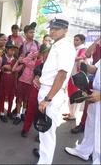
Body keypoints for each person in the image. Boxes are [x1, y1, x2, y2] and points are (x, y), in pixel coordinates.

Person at [32, 18, 76, 164]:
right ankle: (44, 154)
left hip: (52, 94)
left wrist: (47, 98)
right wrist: (41, 79)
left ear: (66, 30)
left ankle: (45, 162)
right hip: (48, 90)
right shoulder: (57, 45)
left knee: (47, 131)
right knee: (44, 130)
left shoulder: (65, 47)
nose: (52, 31)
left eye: (57, 28)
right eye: (51, 28)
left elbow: (62, 74)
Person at [65, 60, 100, 164]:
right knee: (91, 126)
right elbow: (96, 69)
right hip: (95, 95)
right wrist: (86, 66)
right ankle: (83, 151)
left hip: (99, 95)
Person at [70, 37, 100, 134]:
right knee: (88, 102)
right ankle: (83, 125)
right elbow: (87, 54)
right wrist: (97, 40)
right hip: (95, 77)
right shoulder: (98, 44)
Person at [12, 22, 40, 125]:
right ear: (25, 33)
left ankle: (23, 113)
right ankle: (18, 115)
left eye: (33, 32)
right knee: (19, 96)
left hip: (33, 74)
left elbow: (39, 58)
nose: (32, 34)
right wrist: (21, 61)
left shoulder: (37, 44)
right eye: (30, 32)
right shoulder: (22, 44)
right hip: (22, 72)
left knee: (27, 98)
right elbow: (19, 58)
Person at [21, 44, 50, 137]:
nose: (47, 56)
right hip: (35, 88)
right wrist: (36, 53)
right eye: (45, 53)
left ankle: (41, 132)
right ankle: (25, 128)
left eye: (49, 53)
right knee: (30, 109)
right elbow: (25, 60)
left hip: (47, 91)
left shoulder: (54, 67)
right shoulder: (38, 62)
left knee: (43, 112)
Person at [63, 34, 87, 121]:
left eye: (77, 40)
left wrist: (71, 58)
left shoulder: (82, 49)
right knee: (70, 93)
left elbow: (81, 58)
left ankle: (73, 114)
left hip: (76, 76)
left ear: (82, 41)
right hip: (72, 75)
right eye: (74, 40)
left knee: (74, 94)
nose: (75, 41)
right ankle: (71, 112)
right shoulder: (75, 49)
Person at [0, 40, 18, 122]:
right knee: (2, 96)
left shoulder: (15, 60)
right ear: (6, 49)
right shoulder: (1, 58)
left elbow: (16, 71)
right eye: (11, 49)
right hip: (3, 79)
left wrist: (15, 82)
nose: (12, 51)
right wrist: (3, 68)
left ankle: (9, 111)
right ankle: (2, 113)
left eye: (14, 50)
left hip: (12, 79)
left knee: (11, 96)